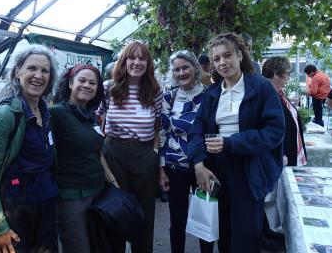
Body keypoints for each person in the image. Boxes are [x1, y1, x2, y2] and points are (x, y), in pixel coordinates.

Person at [188, 33, 285, 253]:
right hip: (216, 170)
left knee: (245, 238)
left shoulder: (260, 88)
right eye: (217, 59)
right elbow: (196, 132)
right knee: (223, 233)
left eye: (228, 55)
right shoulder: (212, 93)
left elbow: (274, 131)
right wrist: (199, 165)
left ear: (240, 55)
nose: (223, 62)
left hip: (248, 169)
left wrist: (232, 143)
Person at [0, 44, 59, 253]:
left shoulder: (46, 113)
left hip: (44, 210)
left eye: (44, 71)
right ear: (17, 71)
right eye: (31, 68)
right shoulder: (5, 115)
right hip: (16, 214)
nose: (38, 75)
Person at [102, 41, 162, 253]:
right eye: (132, 57)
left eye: (142, 58)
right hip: (113, 152)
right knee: (115, 208)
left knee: (144, 212)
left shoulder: (154, 90)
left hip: (143, 153)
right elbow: (98, 117)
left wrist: (154, 153)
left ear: (148, 63)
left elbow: (157, 125)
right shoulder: (108, 88)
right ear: (124, 61)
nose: (137, 62)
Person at [51, 64, 119, 253]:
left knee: (97, 246)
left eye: (92, 83)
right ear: (71, 83)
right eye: (82, 80)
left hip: (97, 193)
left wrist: (112, 181)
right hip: (72, 198)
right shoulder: (57, 113)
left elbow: (96, 153)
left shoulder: (89, 115)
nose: (87, 85)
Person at [159, 50, 213, 253]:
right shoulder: (169, 97)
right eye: (177, 69)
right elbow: (162, 133)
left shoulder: (210, 94)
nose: (181, 73)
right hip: (176, 167)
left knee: (205, 217)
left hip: (206, 166)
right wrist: (161, 168)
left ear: (195, 68)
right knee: (177, 220)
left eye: (185, 67)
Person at [262, 56, 307, 167]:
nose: (288, 77)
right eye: (287, 73)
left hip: (288, 155)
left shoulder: (278, 93)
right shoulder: (264, 94)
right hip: (280, 158)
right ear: (276, 73)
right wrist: (280, 154)